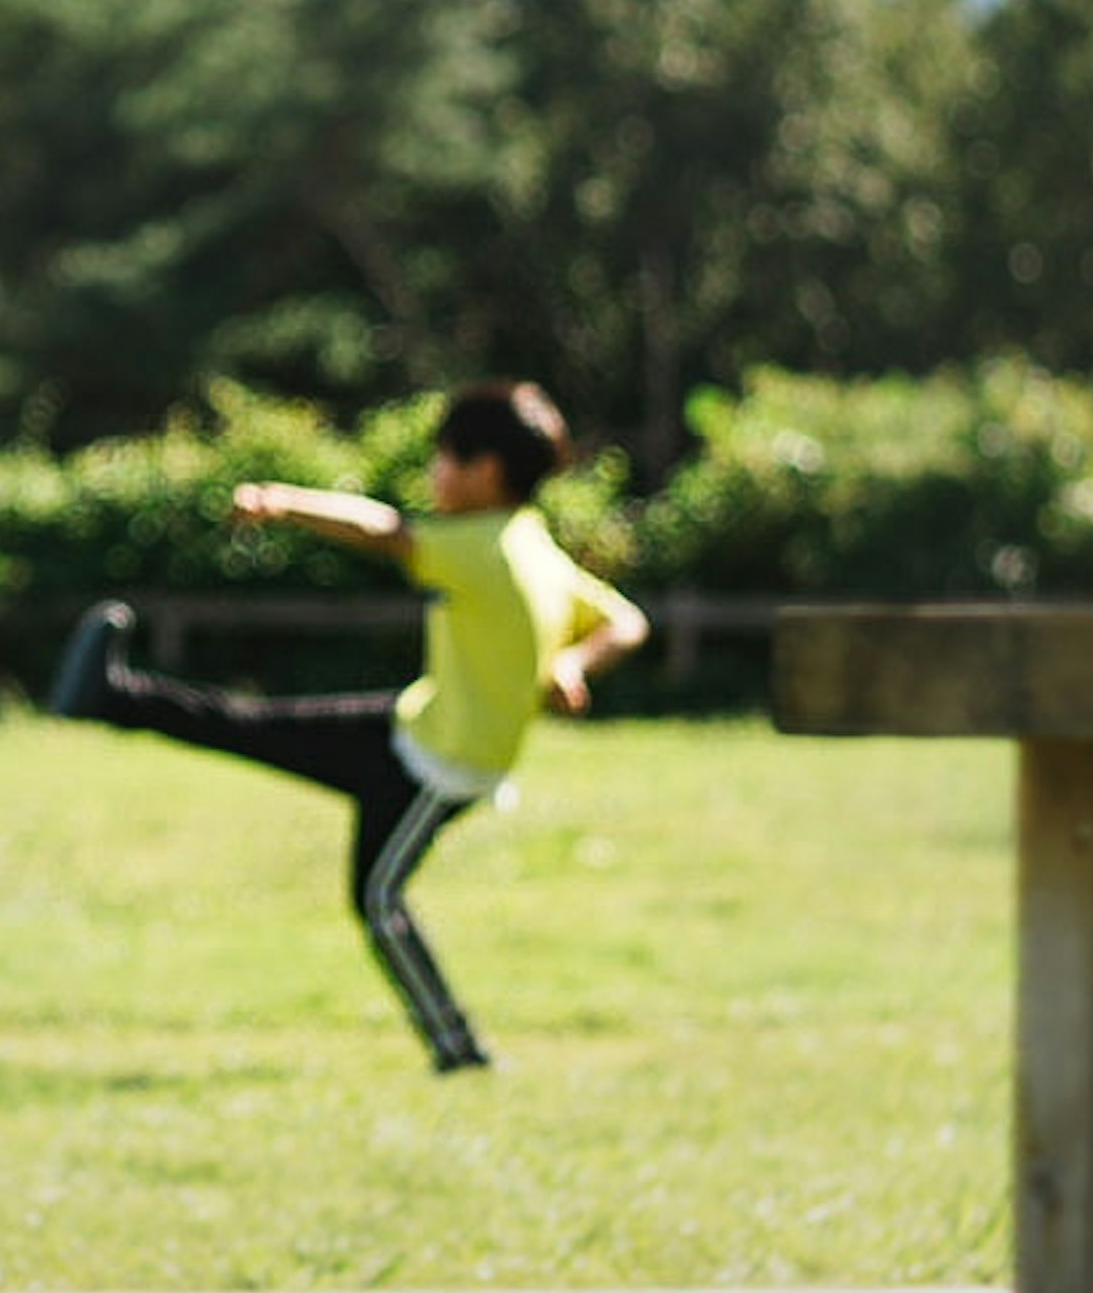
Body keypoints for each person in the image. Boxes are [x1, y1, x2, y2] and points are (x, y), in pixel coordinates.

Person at [43, 381, 648, 1074]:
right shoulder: (531, 544)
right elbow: (627, 622)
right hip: (412, 727)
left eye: (446, 459)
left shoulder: (480, 548)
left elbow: (383, 531)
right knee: (254, 728)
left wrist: (282, 502)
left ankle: (459, 1049)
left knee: (378, 896)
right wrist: (574, 661)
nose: (435, 473)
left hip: (439, 765)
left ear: (486, 471)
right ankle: (112, 694)